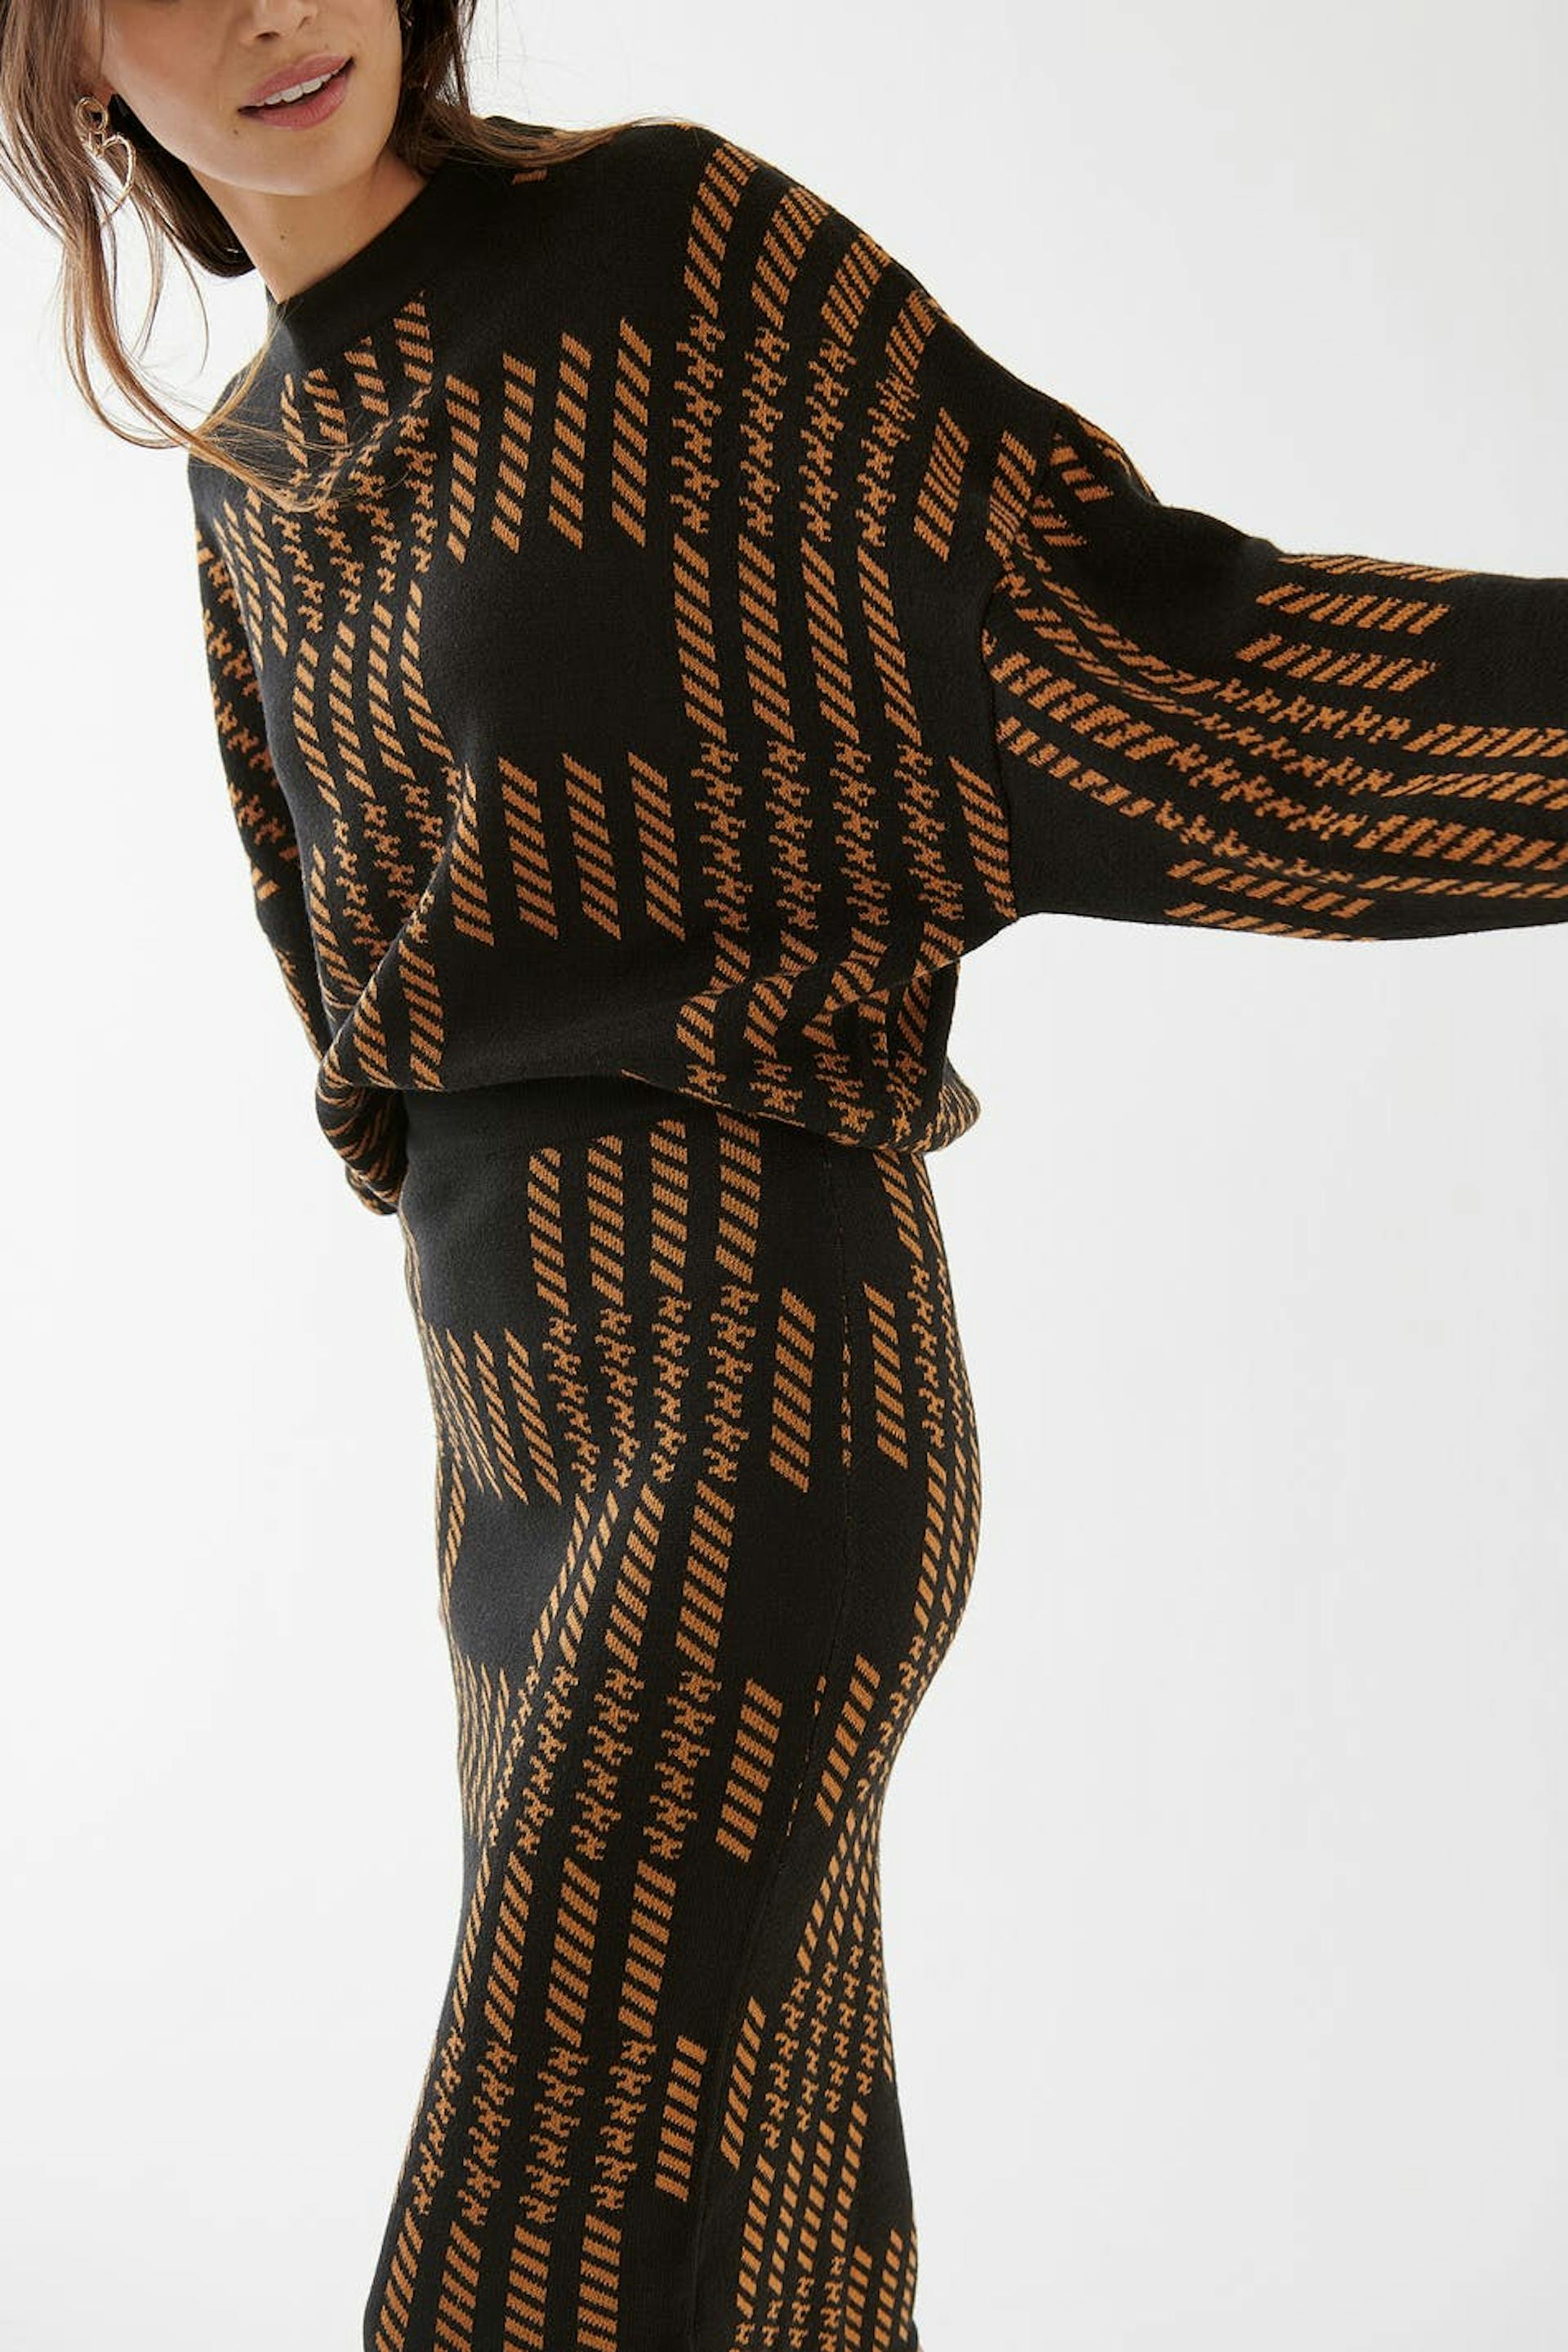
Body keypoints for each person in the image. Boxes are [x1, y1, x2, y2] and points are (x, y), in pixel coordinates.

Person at [10, 5, 1566, 2348]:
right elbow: (349, 997)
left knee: (555, 2208)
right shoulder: (244, 473)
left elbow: (1133, 659)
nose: (267, 9)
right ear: (59, 61)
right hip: (507, 1430)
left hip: (763, 1367)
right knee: (757, 2211)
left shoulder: (659, 250)